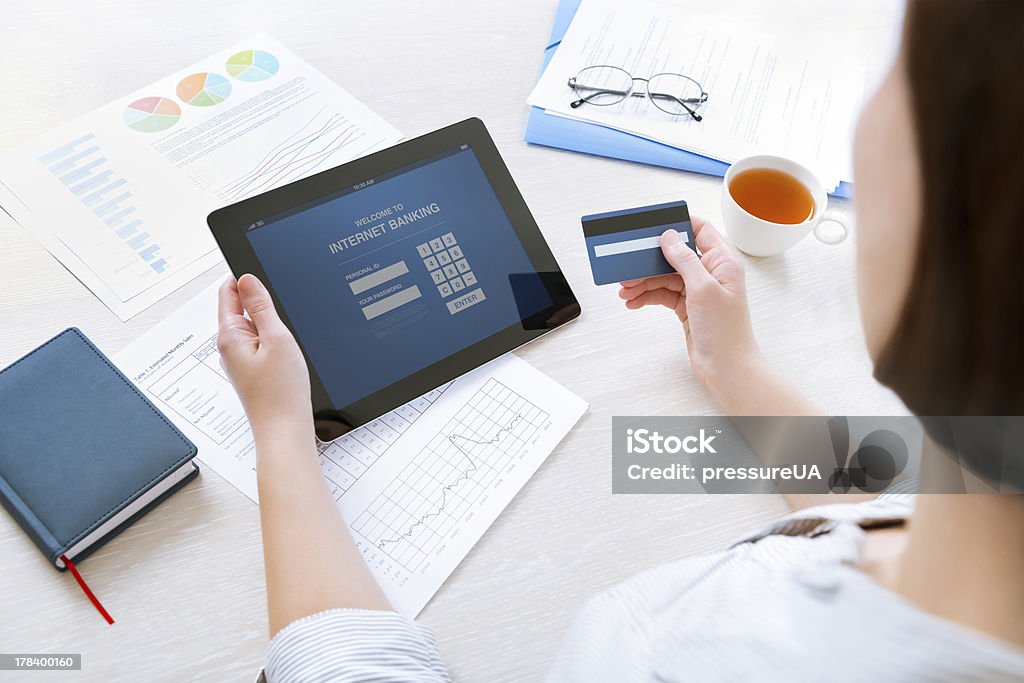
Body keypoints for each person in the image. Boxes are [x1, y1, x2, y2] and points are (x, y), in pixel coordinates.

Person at [217, 1, 1023, 680]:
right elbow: (910, 513)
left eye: (900, 72)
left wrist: (284, 436)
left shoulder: (663, 651)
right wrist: (734, 367)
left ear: (961, 228)